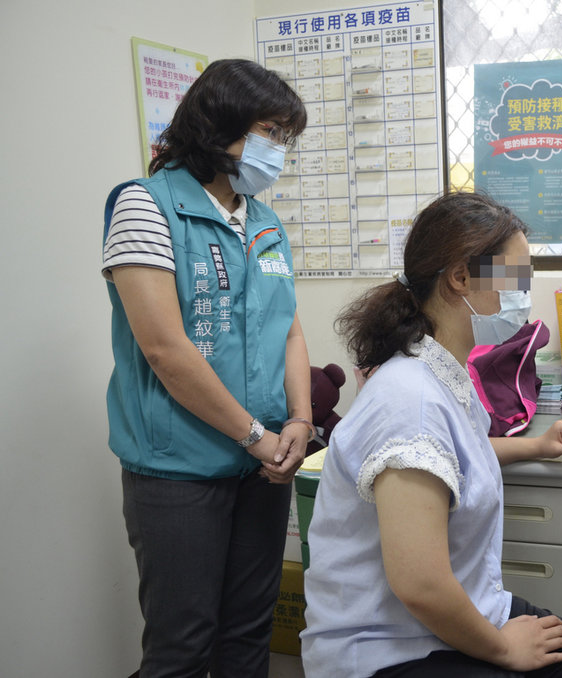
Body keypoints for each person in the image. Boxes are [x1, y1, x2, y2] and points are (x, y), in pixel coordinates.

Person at [301, 192, 562, 678]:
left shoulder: (440, 370)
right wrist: (504, 650)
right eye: (515, 278)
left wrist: (536, 445)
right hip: (391, 647)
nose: (523, 293)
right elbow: (419, 583)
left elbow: (452, 454)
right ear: (461, 277)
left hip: (454, 613)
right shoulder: (410, 400)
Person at [102, 59, 313, 677]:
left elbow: (290, 329)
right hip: (180, 471)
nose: (277, 148)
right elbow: (166, 351)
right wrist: (257, 436)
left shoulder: (265, 222)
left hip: (265, 464)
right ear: (219, 124)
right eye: (268, 129)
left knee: (249, 634)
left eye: (284, 136)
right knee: (183, 646)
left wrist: (300, 419)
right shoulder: (144, 206)